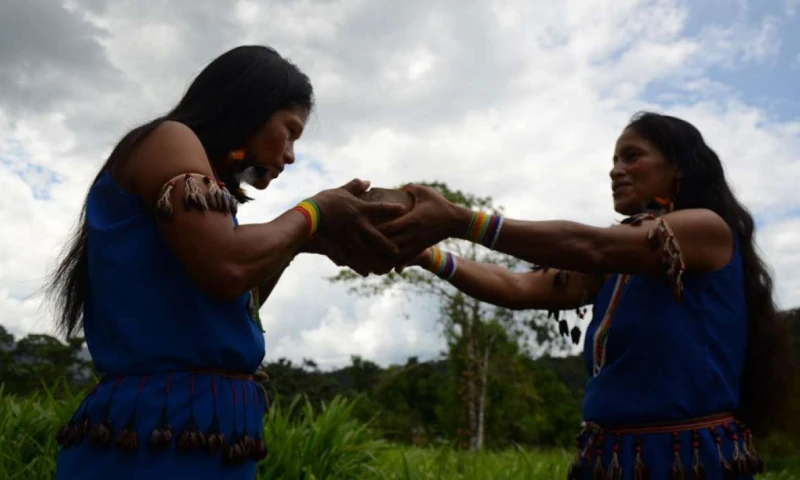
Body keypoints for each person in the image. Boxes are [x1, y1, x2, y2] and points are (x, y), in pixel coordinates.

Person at [46, 45, 406, 479]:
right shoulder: (169, 139)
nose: (290, 154)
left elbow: (238, 295)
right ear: (248, 107)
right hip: (154, 440)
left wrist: (295, 244)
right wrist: (314, 213)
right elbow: (227, 268)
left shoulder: (209, 199)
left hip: (202, 435)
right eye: (289, 131)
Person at [380, 112, 793, 479]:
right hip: (610, 460)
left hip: (688, 461)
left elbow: (589, 245)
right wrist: (427, 255)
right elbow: (519, 286)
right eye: (614, 160)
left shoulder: (704, 229)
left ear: (678, 167)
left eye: (632, 156)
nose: (615, 170)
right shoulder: (618, 260)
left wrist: (459, 220)